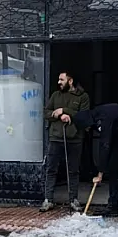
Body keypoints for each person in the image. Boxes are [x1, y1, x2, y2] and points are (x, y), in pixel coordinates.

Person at [42, 72, 90, 212]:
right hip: (55, 138)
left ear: (70, 80)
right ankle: (48, 199)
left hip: (75, 139)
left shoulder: (83, 97)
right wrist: (55, 114)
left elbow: (84, 116)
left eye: (61, 79)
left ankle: (73, 199)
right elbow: (46, 112)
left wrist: (65, 111)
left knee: (73, 170)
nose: (59, 82)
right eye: (58, 79)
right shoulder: (55, 96)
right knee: (51, 169)